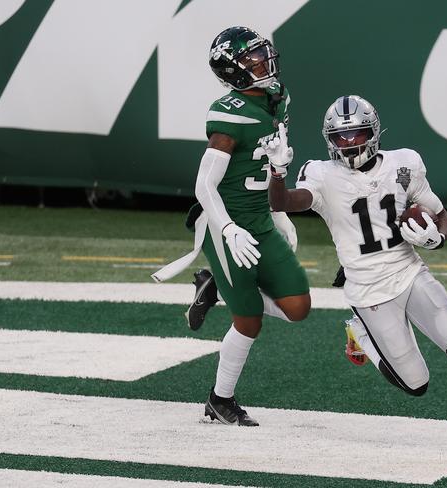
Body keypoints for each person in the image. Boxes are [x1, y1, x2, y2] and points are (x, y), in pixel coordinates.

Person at [263, 95, 447, 462]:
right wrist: (277, 173)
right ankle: (359, 333)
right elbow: (282, 203)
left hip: (409, 273)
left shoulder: (404, 164)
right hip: (368, 290)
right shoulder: (323, 176)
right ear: (329, 140)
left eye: (355, 133)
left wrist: (436, 239)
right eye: (340, 137)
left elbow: (444, 218)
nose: (348, 143)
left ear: (372, 132)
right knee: (416, 385)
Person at [178, 26, 311, 427]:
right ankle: (220, 401)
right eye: (252, 58)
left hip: (260, 216)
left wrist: (279, 212)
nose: (264, 61)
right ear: (233, 71)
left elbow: (271, 160)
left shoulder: (278, 97)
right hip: (227, 223)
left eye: (262, 53)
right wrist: (229, 230)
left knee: (297, 309)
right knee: (248, 319)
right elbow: (204, 186)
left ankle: (214, 286)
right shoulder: (228, 114)